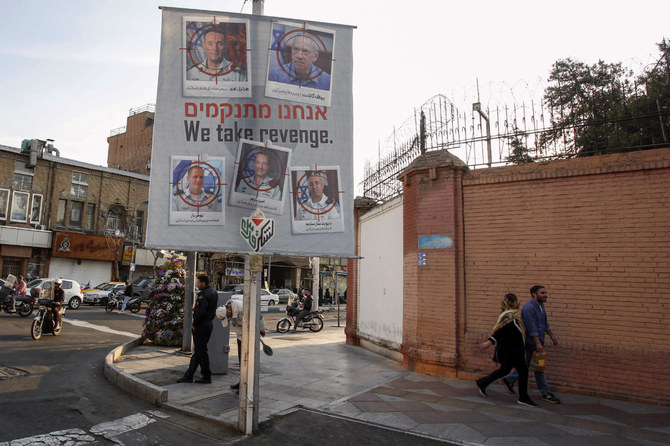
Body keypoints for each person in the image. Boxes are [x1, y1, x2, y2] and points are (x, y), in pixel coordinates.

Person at [475, 293, 537, 407]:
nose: (518, 303)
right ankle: (523, 397)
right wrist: (489, 342)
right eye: (516, 301)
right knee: (523, 370)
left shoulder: (513, 316)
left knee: (504, 370)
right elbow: (500, 332)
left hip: (514, 350)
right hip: (511, 351)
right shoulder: (508, 317)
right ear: (510, 303)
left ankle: (482, 383)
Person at [504, 285, 561, 404]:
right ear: (534, 294)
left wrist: (552, 335)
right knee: (538, 366)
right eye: (542, 293)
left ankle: (510, 379)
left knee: (528, 363)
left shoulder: (540, 306)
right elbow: (531, 328)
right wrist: (538, 343)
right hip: (532, 342)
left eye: (545, 292)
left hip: (538, 341)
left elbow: (544, 323)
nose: (545, 295)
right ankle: (545, 392)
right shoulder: (529, 308)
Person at [177, 275, 218, 384]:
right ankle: (189, 375)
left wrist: (195, 323)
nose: (197, 284)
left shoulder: (203, 294)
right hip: (209, 324)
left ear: (204, 283)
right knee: (199, 351)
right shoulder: (214, 291)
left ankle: (206, 376)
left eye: (199, 283)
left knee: (202, 352)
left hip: (201, 325)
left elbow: (201, 311)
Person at [221, 298, 266, 392]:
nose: (228, 318)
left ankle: (248, 386)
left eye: (227, 316)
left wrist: (262, 329)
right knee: (242, 361)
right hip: (241, 337)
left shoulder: (242, 307)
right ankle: (242, 382)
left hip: (250, 336)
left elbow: (259, 316)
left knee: (249, 361)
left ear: (228, 310)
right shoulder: (229, 309)